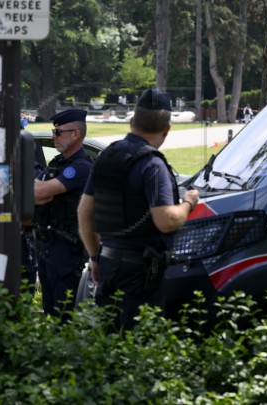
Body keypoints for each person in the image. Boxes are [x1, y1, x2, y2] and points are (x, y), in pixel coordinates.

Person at [78, 88, 200, 330]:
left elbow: (84, 212)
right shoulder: (152, 165)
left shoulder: (107, 156)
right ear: (167, 129)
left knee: (109, 342)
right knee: (138, 343)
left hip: (108, 262)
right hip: (140, 273)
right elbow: (166, 220)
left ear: (132, 121)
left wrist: (94, 257)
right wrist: (188, 203)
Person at [34, 109, 93, 316]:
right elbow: (33, 193)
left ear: (76, 134)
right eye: (53, 131)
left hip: (68, 251)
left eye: (58, 132)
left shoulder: (81, 167)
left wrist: (43, 191)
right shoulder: (56, 164)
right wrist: (42, 192)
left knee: (64, 315)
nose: (53, 137)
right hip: (48, 247)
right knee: (50, 311)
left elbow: (39, 190)